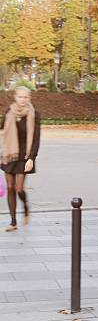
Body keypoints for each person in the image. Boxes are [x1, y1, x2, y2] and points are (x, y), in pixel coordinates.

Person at [1, 86, 41, 232]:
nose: (23, 99)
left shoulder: (34, 114)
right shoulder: (9, 112)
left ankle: (25, 207)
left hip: (24, 156)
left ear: (29, 98)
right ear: (15, 97)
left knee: (19, 189)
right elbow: (2, 129)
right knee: (10, 187)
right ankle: (13, 222)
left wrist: (32, 158)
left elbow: (36, 138)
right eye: (20, 96)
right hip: (10, 154)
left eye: (26, 97)